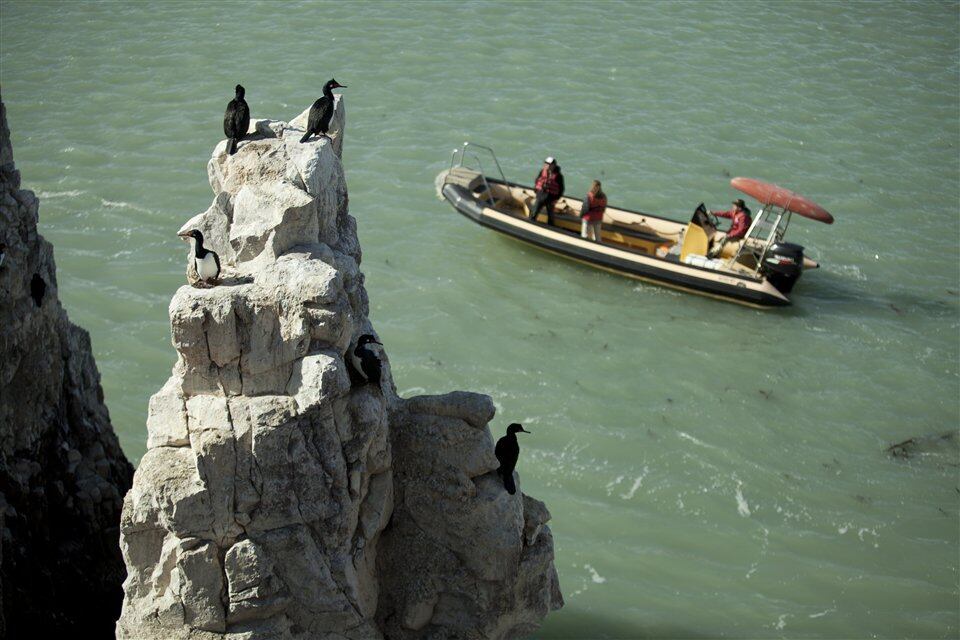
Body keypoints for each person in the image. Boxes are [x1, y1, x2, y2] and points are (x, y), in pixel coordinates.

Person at [530, 157, 565, 225]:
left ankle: (550, 228)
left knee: (551, 216)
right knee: (534, 212)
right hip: (541, 195)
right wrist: (537, 191)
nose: (547, 165)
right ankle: (531, 224)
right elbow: (537, 181)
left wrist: (556, 199)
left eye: (549, 164)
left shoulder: (559, 176)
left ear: (554, 165)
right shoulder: (542, 171)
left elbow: (561, 189)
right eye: (546, 163)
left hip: (551, 198)